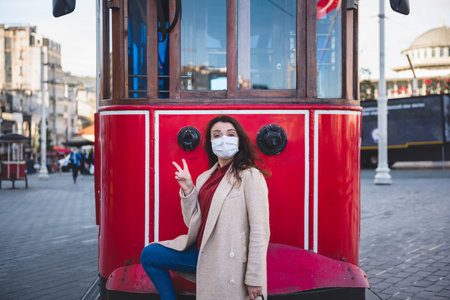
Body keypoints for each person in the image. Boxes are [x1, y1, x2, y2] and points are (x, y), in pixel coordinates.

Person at [141, 115, 270, 300]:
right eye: (217, 135)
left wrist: (255, 278)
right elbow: (192, 222)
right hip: (203, 252)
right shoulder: (205, 178)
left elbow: (260, 230)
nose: (223, 139)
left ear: (239, 140)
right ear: (210, 143)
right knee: (150, 255)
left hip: (228, 261)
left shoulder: (250, 175)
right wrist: (188, 190)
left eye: (230, 134)